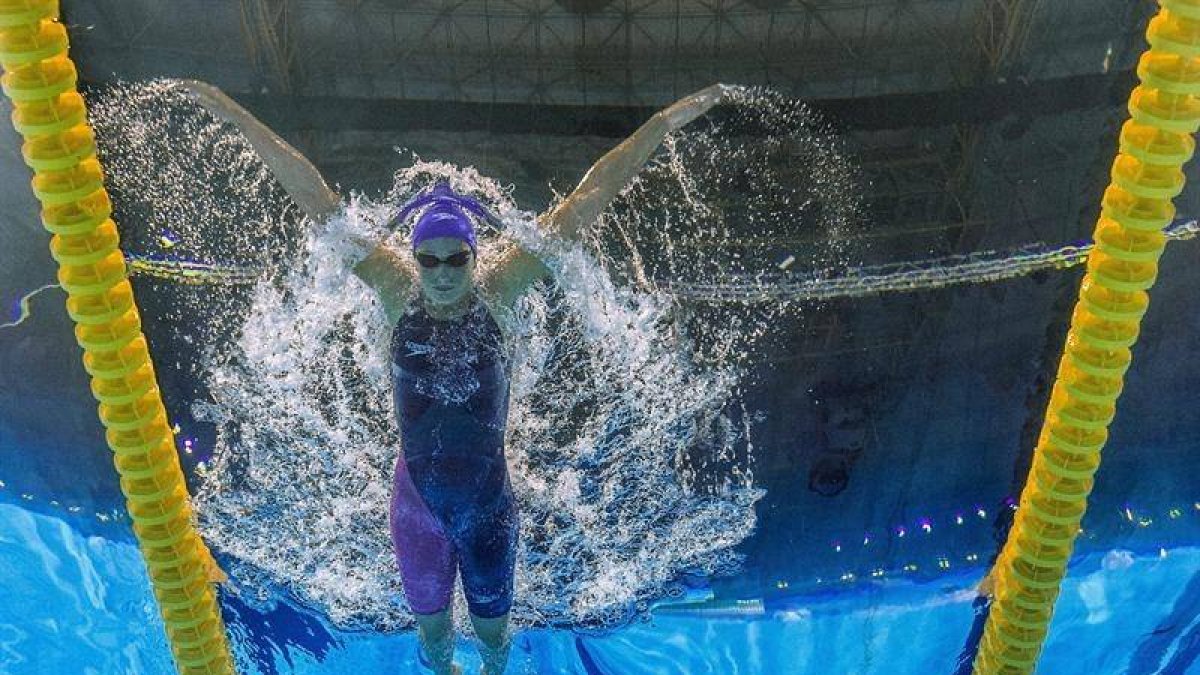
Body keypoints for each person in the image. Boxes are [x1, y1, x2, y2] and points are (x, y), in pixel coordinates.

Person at [183, 80, 730, 674]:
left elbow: (586, 200)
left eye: (456, 259)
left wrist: (664, 122)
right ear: (413, 260)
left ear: (474, 256)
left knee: (495, 646)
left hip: (490, 504)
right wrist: (229, 111)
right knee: (436, 646)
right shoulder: (396, 293)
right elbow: (315, 199)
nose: (442, 273)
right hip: (415, 505)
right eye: (428, 260)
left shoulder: (501, 293)